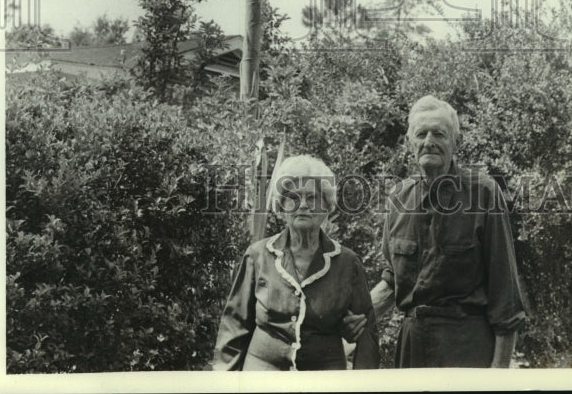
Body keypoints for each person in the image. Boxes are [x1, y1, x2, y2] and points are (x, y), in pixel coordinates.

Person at [370, 95, 526, 368]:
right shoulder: (398, 198)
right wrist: (344, 317)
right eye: (421, 133)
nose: (429, 141)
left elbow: (505, 296)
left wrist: (498, 378)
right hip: (412, 349)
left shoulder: (484, 193)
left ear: (456, 142)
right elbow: (393, 281)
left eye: (439, 133)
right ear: (410, 143)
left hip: (466, 347)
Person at [212, 154, 380, 371]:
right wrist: (225, 382)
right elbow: (234, 326)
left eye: (312, 198)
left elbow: (367, 334)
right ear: (281, 206)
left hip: (324, 379)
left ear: (326, 206)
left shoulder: (348, 262)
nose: (303, 205)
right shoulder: (258, 255)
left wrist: (364, 386)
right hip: (263, 376)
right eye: (293, 197)